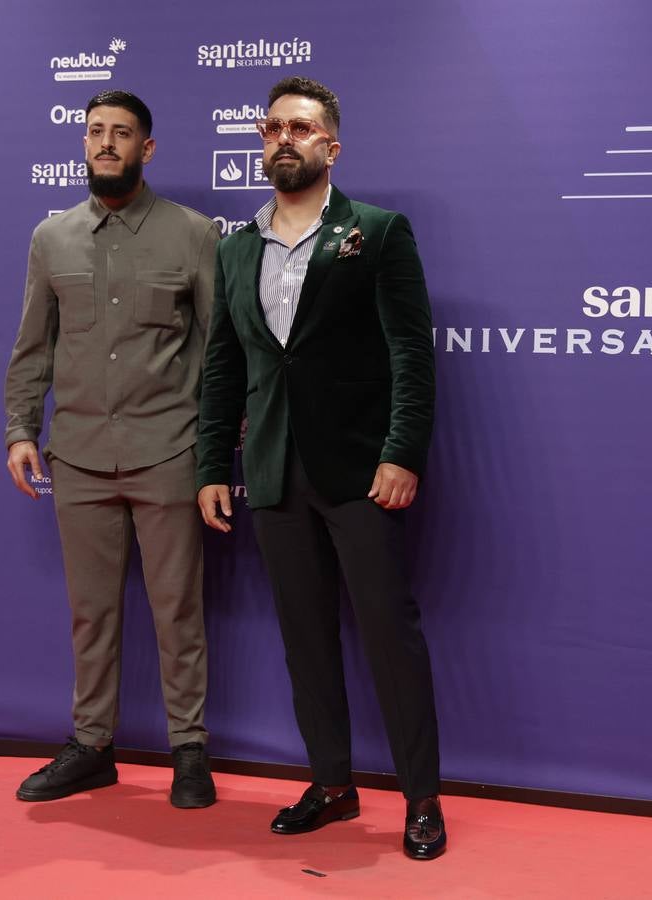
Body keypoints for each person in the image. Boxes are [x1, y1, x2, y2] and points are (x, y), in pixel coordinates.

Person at [195, 76, 446, 859]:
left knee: (387, 639)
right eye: (272, 128)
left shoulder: (377, 230)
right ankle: (333, 784)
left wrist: (401, 453)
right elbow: (223, 365)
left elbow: (410, 353)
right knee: (305, 641)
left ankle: (420, 800)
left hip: (361, 472)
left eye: (300, 129)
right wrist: (211, 464)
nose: (283, 140)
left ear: (331, 147)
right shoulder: (235, 248)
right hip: (270, 475)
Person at [3, 89, 218, 809]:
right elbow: (33, 345)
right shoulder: (52, 237)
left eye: (121, 133)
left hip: (169, 452)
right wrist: (20, 429)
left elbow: (222, 351)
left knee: (176, 609)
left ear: (146, 149)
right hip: (80, 457)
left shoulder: (193, 235)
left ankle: (189, 750)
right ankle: (92, 746)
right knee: (91, 612)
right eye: (95, 132)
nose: (105, 143)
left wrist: (218, 445)